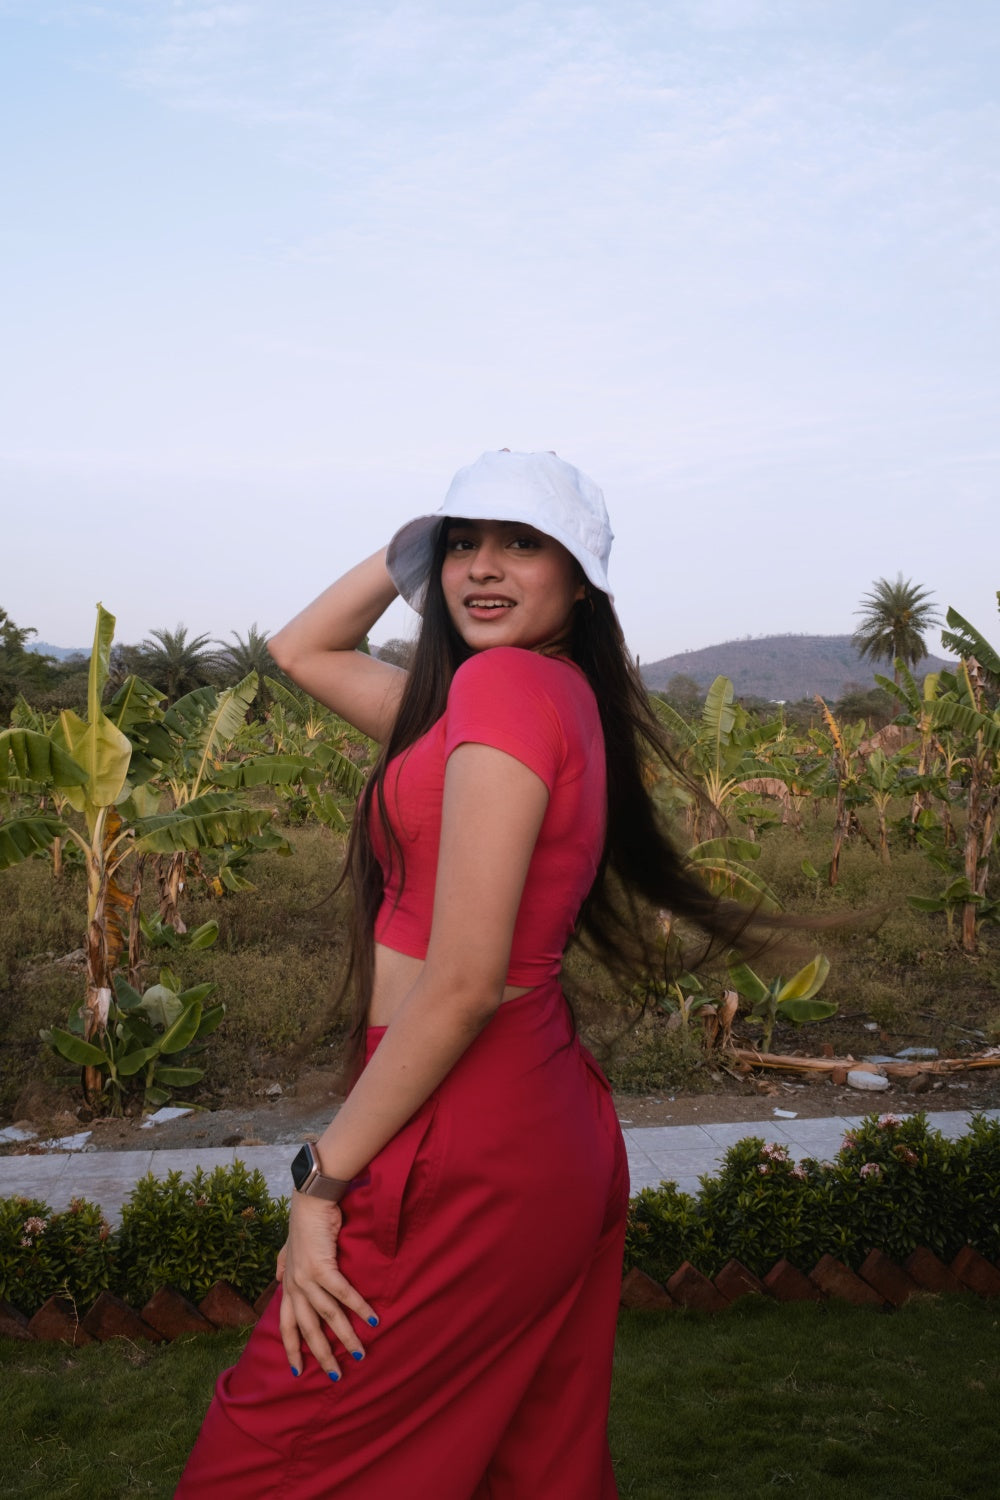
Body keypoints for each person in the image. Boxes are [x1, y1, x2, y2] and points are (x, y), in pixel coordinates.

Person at [176, 449, 749, 1500]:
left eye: (523, 544)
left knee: (265, 1462)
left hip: (461, 1127)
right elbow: (299, 650)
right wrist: (425, 535)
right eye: (464, 546)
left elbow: (463, 983)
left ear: (580, 578)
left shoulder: (502, 689)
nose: (483, 568)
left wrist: (320, 1183)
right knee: (528, 1465)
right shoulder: (523, 703)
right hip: (538, 1120)